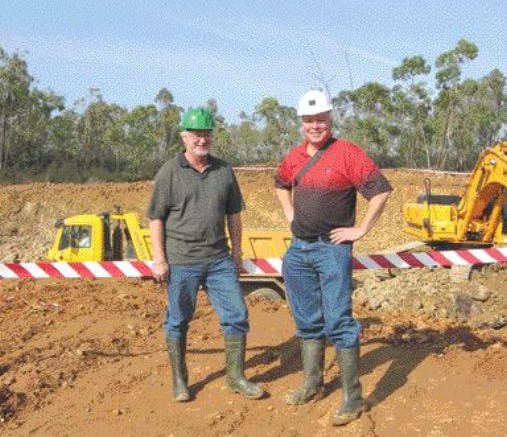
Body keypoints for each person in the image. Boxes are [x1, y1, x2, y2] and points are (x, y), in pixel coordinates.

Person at [275, 90, 392, 426]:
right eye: (310, 120)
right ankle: (313, 385)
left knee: (339, 322)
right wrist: (290, 215)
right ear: (301, 123)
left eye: (321, 119)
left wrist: (360, 230)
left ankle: (353, 398)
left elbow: (380, 191)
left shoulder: (347, 154)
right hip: (298, 250)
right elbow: (281, 184)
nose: (315, 125)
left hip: (331, 249)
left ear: (331, 120)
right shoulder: (295, 156)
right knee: (307, 321)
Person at [147, 107, 264, 402]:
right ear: (184, 137)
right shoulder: (169, 172)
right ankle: (180, 382)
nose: (202, 139)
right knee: (177, 320)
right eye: (196, 134)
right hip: (182, 261)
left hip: (219, 261)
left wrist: (237, 253)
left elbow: (234, 216)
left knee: (236, 315)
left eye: (207, 134)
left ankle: (236, 377)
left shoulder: (224, 171)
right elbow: (156, 218)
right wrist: (159, 258)